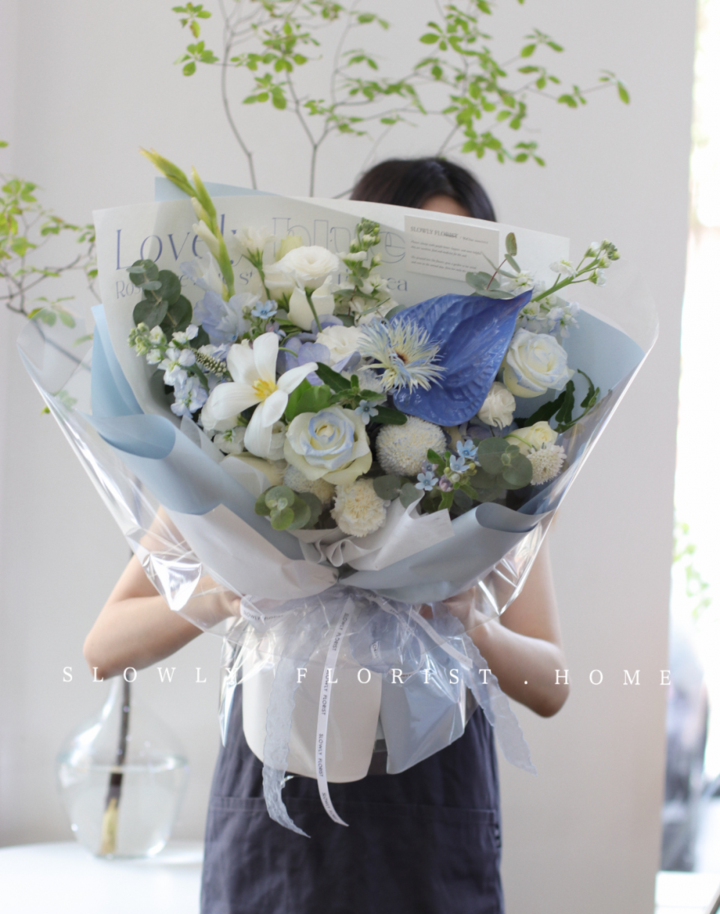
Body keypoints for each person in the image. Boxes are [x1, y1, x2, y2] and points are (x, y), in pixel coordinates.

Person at [84, 156, 569, 914]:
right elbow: (104, 648)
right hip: (274, 811)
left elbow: (552, 687)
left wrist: (473, 621)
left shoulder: (493, 472)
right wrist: (224, 595)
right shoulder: (250, 451)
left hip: (433, 817)